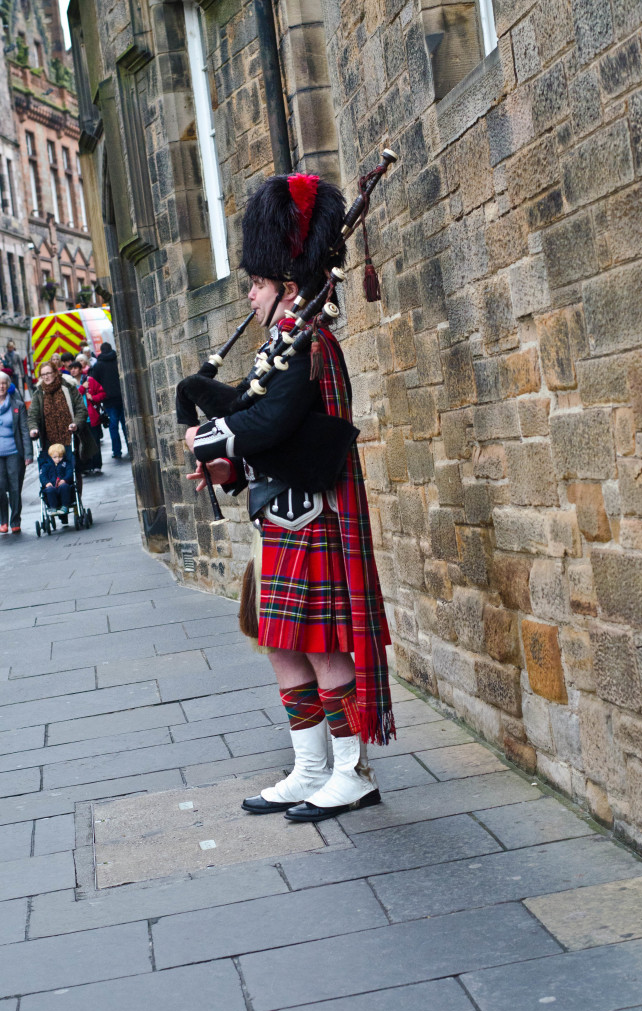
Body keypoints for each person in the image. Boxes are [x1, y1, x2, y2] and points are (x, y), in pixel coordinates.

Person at [184, 173, 395, 822]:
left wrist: (212, 435)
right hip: (278, 512)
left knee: (322, 645)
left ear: (290, 287)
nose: (249, 295)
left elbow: (274, 425)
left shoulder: (311, 345)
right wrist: (229, 470)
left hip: (311, 517)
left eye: (257, 285)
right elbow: (269, 434)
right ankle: (309, 768)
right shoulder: (283, 346)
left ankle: (350, 770)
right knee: (282, 641)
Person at [27, 362, 98, 490]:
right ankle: (58, 500)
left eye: (48, 373)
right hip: (50, 442)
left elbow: (81, 409)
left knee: (73, 470)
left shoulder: (68, 388)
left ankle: (76, 501)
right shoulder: (39, 394)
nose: (46, 377)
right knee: (52, 471)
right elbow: (33, 415)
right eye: (43, 375)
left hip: (69, 438)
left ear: (55, 373)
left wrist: (75, 424)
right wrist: (33, 428)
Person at [0, 370, 32, 534]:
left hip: (14, 452)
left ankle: (15, 521)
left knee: (14, 487)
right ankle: (3, 520)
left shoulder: (17, 405)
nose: (1, 386)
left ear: (8, 385)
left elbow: (24, 431)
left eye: (4, 383)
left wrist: (28, 454)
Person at [89, 342, 128, 459]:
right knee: (125, 425)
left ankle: (117, 451)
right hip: (122, 397)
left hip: (108, 399)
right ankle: (131, 447)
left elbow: (95, 383)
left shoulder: (98, 365)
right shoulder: (118, 361)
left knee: (113, 426)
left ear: (101, 351)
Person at [70, 361, 104, 473]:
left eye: (75, 368)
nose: (73, 370)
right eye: (71, 369)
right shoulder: (70, 384)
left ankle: (97, 465)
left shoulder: (90, 380)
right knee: (83, 443)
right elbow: (72, 399)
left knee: (95, 441)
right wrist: (82, 388)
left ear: (80, 369)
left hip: (91, 417)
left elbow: (102, 393)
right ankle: (87, 466)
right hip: (79, 419)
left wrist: (93, 397)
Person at [39, 442, 74, 513]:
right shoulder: (46, 465)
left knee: (65, 487)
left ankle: (65, 506)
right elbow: (42, 475)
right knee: (49, 490)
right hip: (51, 485)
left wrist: (65, 480)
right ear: (50, 456)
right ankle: (53, 507)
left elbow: (69, 472)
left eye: (60, 457)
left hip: (62, 485)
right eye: (55, 457)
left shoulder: (66, 463)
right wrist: (46, 483)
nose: (58, 459)